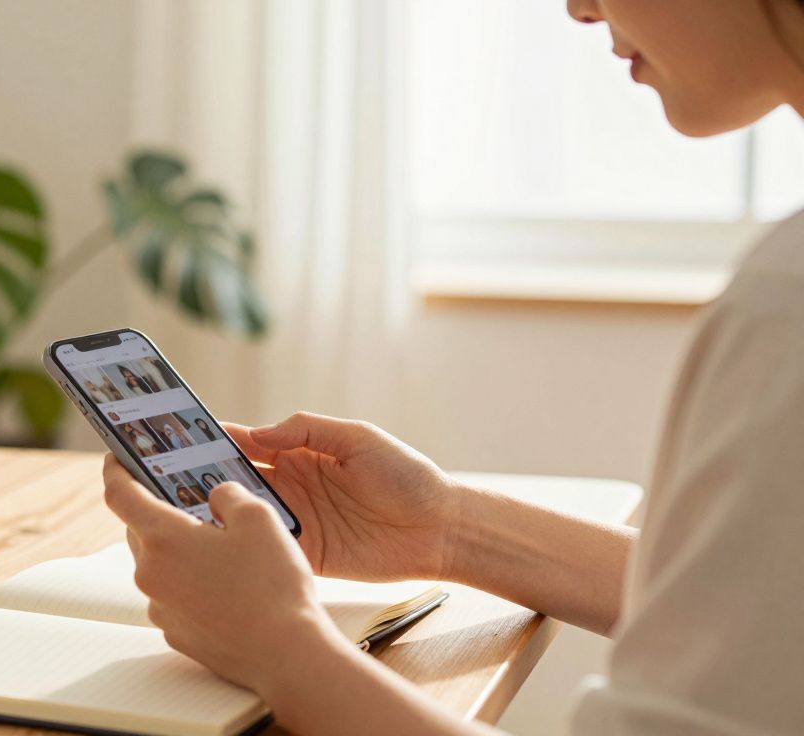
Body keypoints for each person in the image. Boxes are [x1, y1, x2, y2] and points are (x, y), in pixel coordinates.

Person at [102, 2, 804, 734]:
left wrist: (280, 646)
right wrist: (447, 529)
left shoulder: (787, 302)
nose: (578, 8)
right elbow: (776, 608)